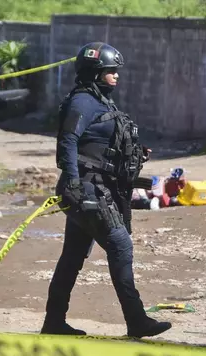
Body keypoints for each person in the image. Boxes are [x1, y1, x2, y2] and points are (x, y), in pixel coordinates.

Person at [40, 42, 172, 338]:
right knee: (120, 245)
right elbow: (68, 142)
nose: (116, 76)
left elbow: (101, 143)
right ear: (94, 73)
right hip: (86, 191)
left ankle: (53, 322)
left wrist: (135, 153)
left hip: (97, 188)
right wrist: (74, 183)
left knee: (72, 256)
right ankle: (137, 320)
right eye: (110, 71)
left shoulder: (101, 101)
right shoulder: (82, 102)